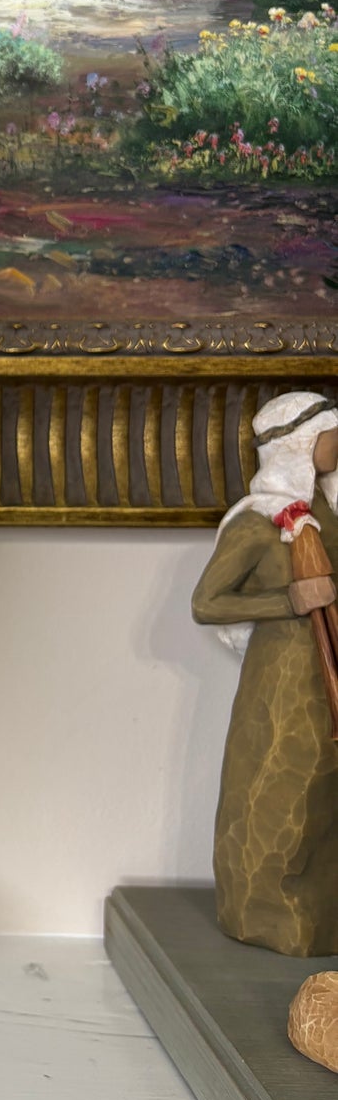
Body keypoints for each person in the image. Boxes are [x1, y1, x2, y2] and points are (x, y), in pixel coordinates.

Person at [192, 391, 338, 955]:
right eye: (330, 433)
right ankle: (269, 912)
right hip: (280, 685)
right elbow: (207, 603)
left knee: (324, 796)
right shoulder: (256, 526)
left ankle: (323, 911)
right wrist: (290, 600)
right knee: (280, 793)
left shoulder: (324, 518)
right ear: (301, 444)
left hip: (327, 679)